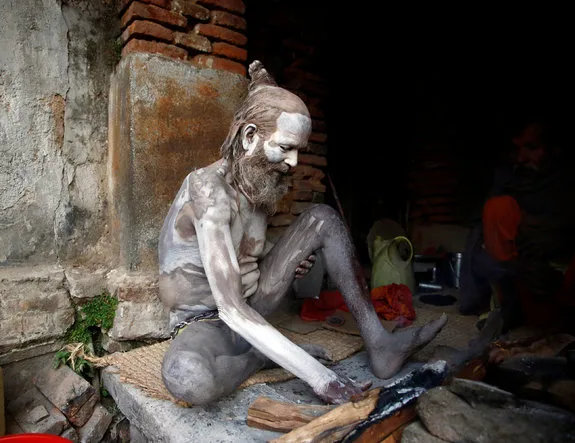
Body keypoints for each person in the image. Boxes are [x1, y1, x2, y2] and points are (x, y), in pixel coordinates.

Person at [158, 60, 448, 406]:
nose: (294, 162)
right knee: (187, 377)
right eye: (285, 148)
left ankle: (380, 344)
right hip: (208, 323)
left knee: (322, 217)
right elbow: (230, 308)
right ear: (249, 137)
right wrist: (319, 377)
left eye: (300, 151)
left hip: (255, 304)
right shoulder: (207, 190)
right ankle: (257, 358)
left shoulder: (257, 185)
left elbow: (244, 254)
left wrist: (280, 259)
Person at [460, 120, 575, 332]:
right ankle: (508, 308)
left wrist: (541, 245)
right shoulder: (510, 177)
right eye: (518, 148)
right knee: (496, 209)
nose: (521, 158)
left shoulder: (566, 183)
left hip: (556, 270)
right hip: (519, 270)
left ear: (554, 149)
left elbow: (561, 227)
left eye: (532, 148)